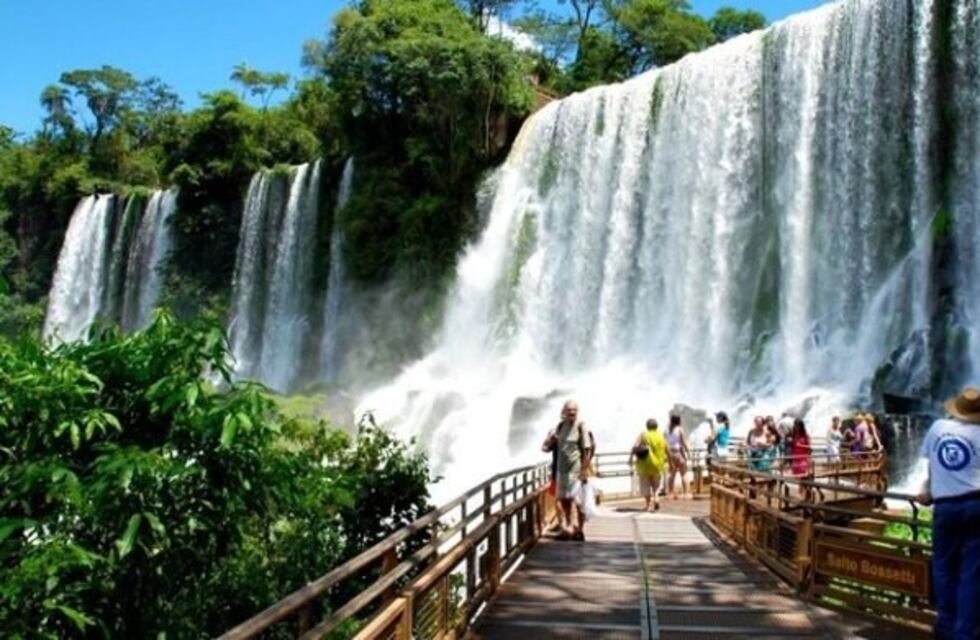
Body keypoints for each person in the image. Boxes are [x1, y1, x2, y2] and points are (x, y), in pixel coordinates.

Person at [916, 387, 980, 640]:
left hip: (945, 506)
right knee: (972, 572)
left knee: (943, 569)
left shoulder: (938, 428)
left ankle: (945, 626)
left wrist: (929, 491)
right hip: (976, 504)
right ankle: (964, 633)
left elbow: (932, 465)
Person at [542, 400, 593, 541]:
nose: (572, 412)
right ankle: (570, 526)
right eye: (569, 410)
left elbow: (587, 450)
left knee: (578, 501)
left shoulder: (581, 425)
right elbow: (545, 448)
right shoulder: (560, 426)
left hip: (575, 470)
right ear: (564, 411)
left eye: (574, 410)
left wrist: (584, 470)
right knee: (564, 499)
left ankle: (580, 529)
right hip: (561, 470)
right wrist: (551, 440)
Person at [630, 419, 668, 512]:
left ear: (647, 426)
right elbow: (667, 449)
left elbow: (635, 447)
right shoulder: (661, 436)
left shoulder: (643, 435)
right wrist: (670, 461)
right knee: (656, 485)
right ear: (656, 426)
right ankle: (656, 498)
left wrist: (630, 458)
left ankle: (647, 505)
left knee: (645, 485)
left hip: (644, 465)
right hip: (658, 465)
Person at [666, 414, 690, 499]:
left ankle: (670, 494)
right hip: (678, 453)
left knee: (671, 474)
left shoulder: (667, 430)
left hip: (669, 453)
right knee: (683, 473)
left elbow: (664, 442)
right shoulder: (679, 429)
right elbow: (683, 442)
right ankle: (686, 494)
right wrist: (688, 452)